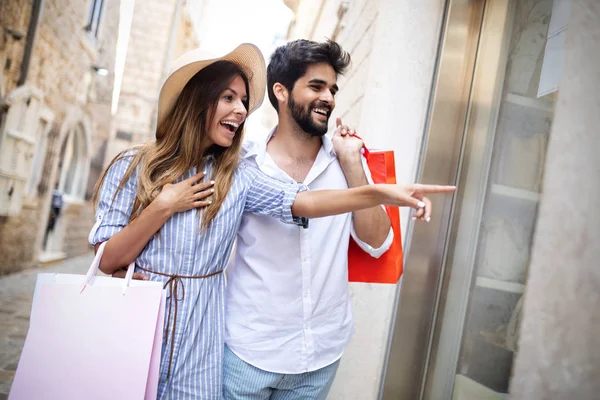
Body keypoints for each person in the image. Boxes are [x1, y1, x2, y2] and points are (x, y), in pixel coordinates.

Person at [91, 43, 454, 399]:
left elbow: (305, 202)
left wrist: (384, 192)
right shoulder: (139, 167)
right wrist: (163, 206)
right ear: (197, 99)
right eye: (228, 98)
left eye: (243, 101)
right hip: (159, 328)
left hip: (209, 343)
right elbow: (106, 259)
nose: (240, 110)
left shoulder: (236, 176)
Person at [221, 39, 417, 399]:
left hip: (320, 356)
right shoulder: (243, 165)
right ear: (281, 91)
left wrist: (352, 165)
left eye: (332, 89)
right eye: (316, 86)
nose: (328, 97)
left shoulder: (345, 160)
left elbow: (377, 244)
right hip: (248, 353)